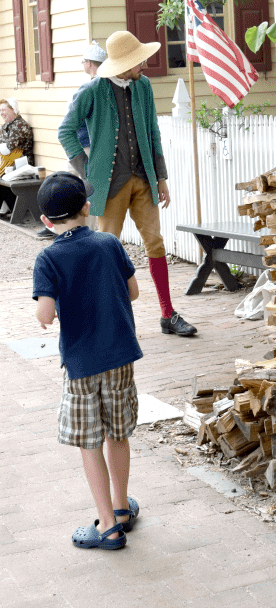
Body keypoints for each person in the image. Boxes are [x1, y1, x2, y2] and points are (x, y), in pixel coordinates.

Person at [57, 30, 197, 337]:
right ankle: (107, 318)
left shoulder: (143, 86)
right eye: (138, 61)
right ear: (123, 64)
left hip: (143, 179)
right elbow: (65, 130)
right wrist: (86, 170)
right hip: (108, 185)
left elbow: (153, 132)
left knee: (156, 244)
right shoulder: (93, 90)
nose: (144, 65)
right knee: (107, 249)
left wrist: (161, 177)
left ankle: (167, 313)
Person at [32, 172, 142, 550]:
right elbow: (134, 291)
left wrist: (53, 310)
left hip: (81, 365)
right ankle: (122, 506)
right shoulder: (109, 243)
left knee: (89, 442)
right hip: (120, 357)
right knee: (118, 434)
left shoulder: (48, 257)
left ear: (47, 222)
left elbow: (45, 315)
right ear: (86, 207)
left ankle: (108, 527)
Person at [37, 41, 107, 241]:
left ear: (90, 64)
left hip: (86, 147)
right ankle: (59, 226)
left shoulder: (92, 87)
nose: (82, 64)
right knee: (70, 187)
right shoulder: (97, 86)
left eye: (83, 61)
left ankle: (84, 230)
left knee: (83, 190)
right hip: (83, 145)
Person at [0, 97, 34, 176]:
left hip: (21, 170)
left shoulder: (20, 126)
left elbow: (6, 150)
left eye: (3, 110)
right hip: (8, 168)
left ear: (13, 110)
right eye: (0, 110)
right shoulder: (6, 125)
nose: (1, 113)